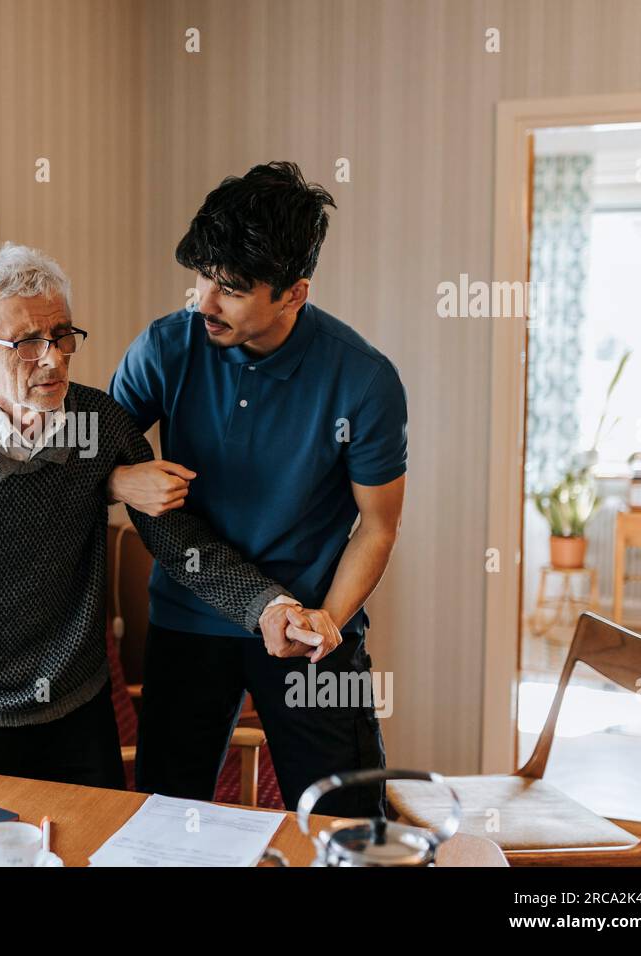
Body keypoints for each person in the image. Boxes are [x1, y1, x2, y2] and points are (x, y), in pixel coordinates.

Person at [0, 243, 297, 788]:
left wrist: (267, 606)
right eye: (26, 343)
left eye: (62, 335)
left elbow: (183, 546)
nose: (52, 358)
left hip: (77, 713)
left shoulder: (102, 426)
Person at [109, 162, 407, 817]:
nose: (206, 303)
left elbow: (378, 526)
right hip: (188, 622)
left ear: (294, 293)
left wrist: (330, 617)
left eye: (234, 289)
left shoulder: (363, 380)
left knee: (348, 824)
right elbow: (85, 462)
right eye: (203, 277)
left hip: (310, 625)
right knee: (164, 819)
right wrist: (119, 477)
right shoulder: (164, 348)